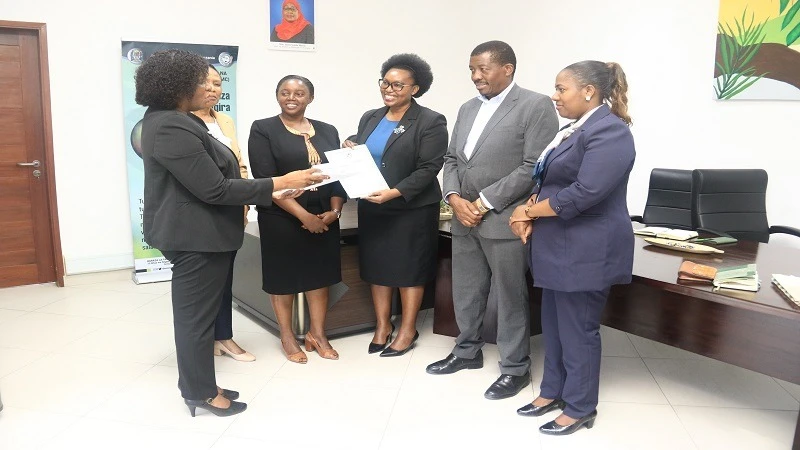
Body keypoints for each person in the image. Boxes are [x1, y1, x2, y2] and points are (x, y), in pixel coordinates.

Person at [136, 49, 325, 417]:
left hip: (198, 232)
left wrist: (272, 189)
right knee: (195, 320)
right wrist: (278, 181)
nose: (208, 87)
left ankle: (200, 384)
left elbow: (216, 181)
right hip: (195, 237)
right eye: (201, 81)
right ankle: (200, 392)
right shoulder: (172, 125)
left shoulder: (173, 120)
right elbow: (215, 189)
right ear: (178, 86)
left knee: (198, 317)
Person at [426, 41, 558, 399]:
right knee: (465, 290)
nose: (475, 77)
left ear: (508, 68)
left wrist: (482, 203)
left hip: (502, 219)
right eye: (471, 70)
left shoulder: (535, 105)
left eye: (482, 69)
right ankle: (466, 351)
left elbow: (534, 166)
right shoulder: (467, 108)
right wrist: (454, 199)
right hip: (463, 218)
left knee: (510, 295)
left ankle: (515, 368)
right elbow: (452, 158)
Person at [509, 61, 635, 435]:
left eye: (561, 88)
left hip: (586, 248)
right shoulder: (573, 130)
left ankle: (580, 406)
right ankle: (553, 391)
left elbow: (584, 193)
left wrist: (528, 212)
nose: (554, 95)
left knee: (578, 329)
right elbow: (549, 179)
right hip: (557, 244)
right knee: (555, 325)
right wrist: (526, 208)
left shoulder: (610, 132)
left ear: (589, 92)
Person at [343, 53, 447, 357]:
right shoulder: (371, 116)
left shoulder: (430, 120)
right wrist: (351, 143)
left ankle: (407, 329)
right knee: (377, 268)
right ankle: (382, 326)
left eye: (398, 85)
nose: (389, 89)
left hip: (410, 208)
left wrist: (395, 192)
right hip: (374, 206)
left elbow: (429, 167)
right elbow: (369, 145)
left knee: (408, 270)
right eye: (385, 82)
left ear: (415, 89)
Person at [249, 75, 345, 363]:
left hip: (324, 213)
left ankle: (317, 333)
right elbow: (266, 180)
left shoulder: (328, 130)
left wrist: (335, 211)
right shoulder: (264, 129)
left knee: (320, 276)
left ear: (310, 98)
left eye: (299, 93)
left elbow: (337, 176)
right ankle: (288, 336)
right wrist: (305, 216)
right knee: (283, 278)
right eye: (285, 92)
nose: (291, 97)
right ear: (277, 96)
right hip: (281, 215)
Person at [191, 65, 255, 363]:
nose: (213, 89)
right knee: (201, 281)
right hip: (200, 212)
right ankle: (202, 341)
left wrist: (244, 203)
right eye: (206, 83)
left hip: (230, 209)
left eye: (218, 83)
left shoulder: (224, 120)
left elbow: (238, 163)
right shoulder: (180, 122)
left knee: (224, 276)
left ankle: (223, 337)